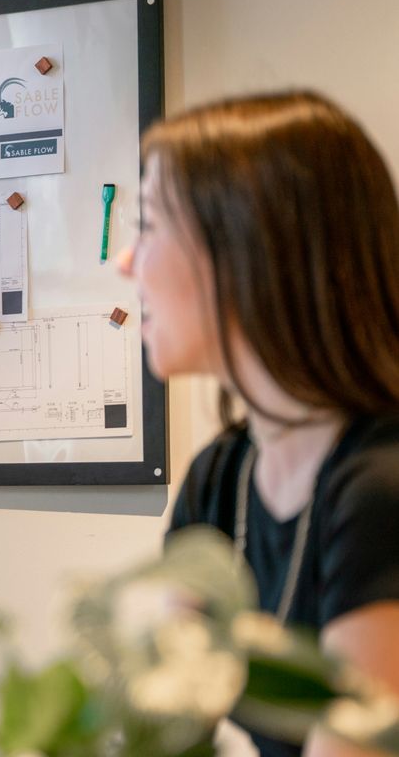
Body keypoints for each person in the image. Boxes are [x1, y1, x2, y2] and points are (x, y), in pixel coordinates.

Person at [121, 92, 399, 756]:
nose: (125, 261)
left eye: (149, 226)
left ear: (249, 245)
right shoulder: (222, 477)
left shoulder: (381, 487)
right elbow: (163, 723)